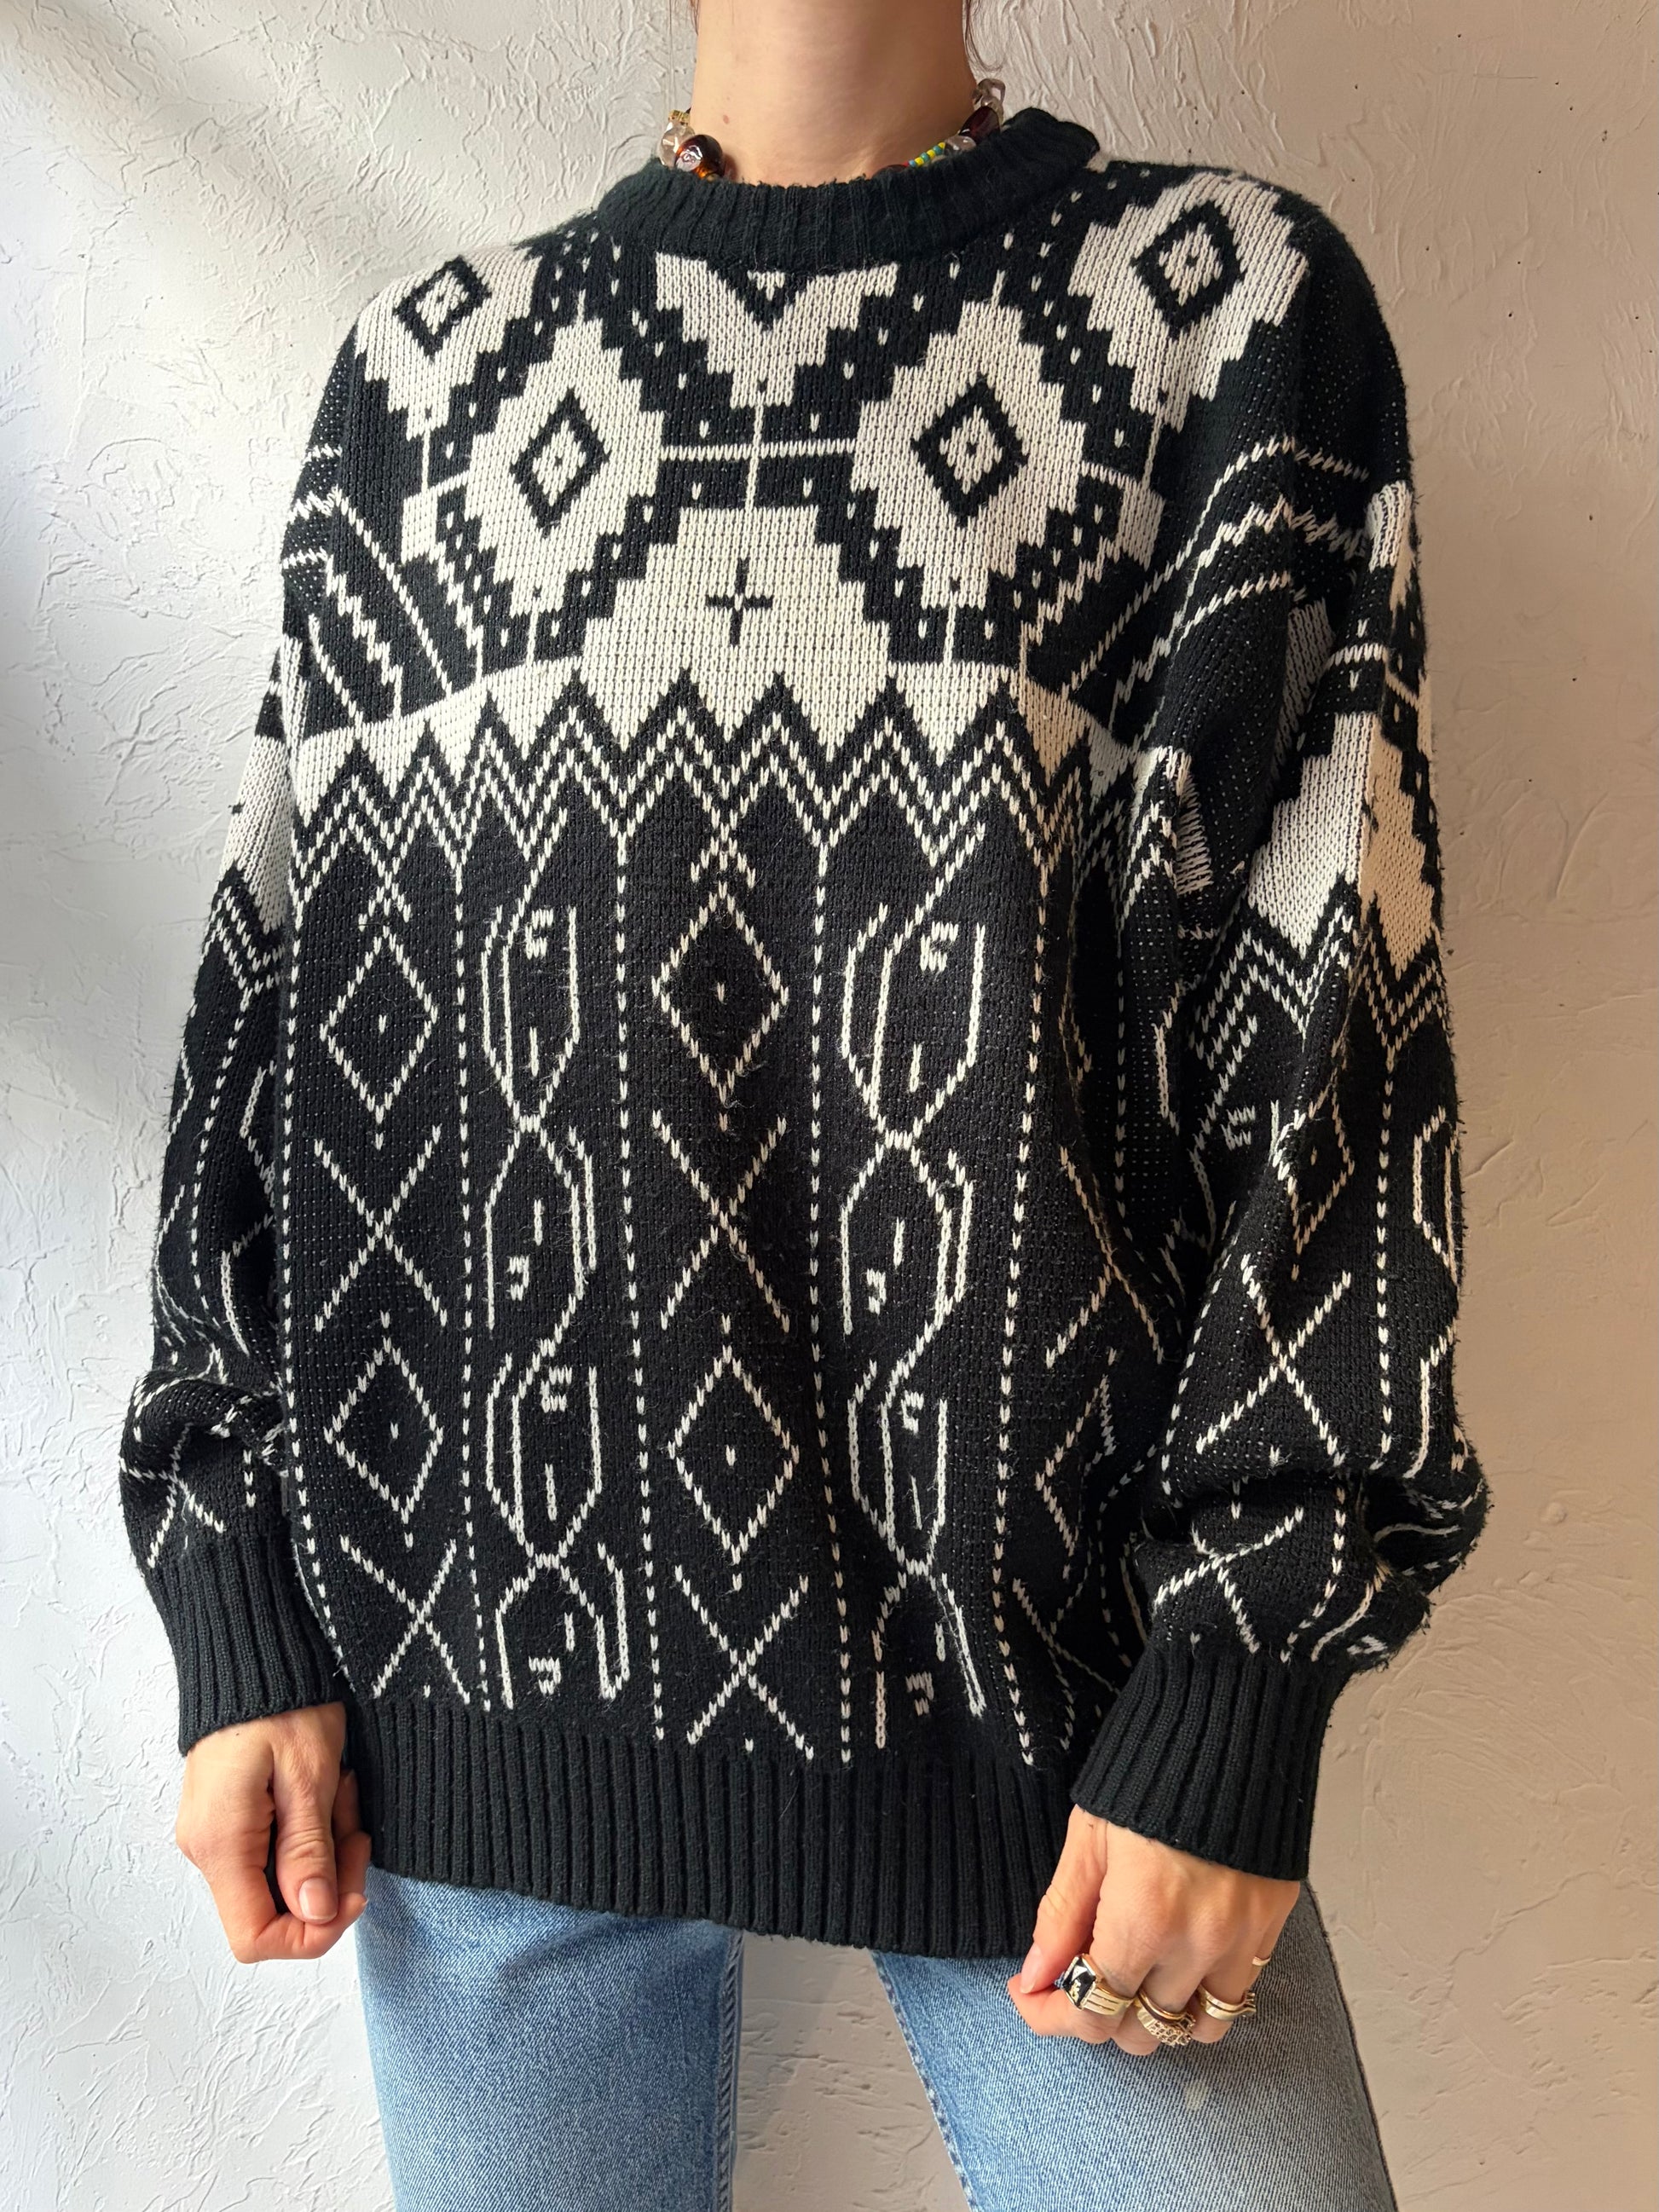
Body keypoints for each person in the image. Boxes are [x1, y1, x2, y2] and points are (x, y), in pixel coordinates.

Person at [118, 0, 1488, 2204]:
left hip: (1059, 1733)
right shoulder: (426, 381)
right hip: (466, 1719)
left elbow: (1333, 1020)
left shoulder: (1227, 314)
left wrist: (1240, 1676)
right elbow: (278, 1023)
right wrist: (232, 1588)